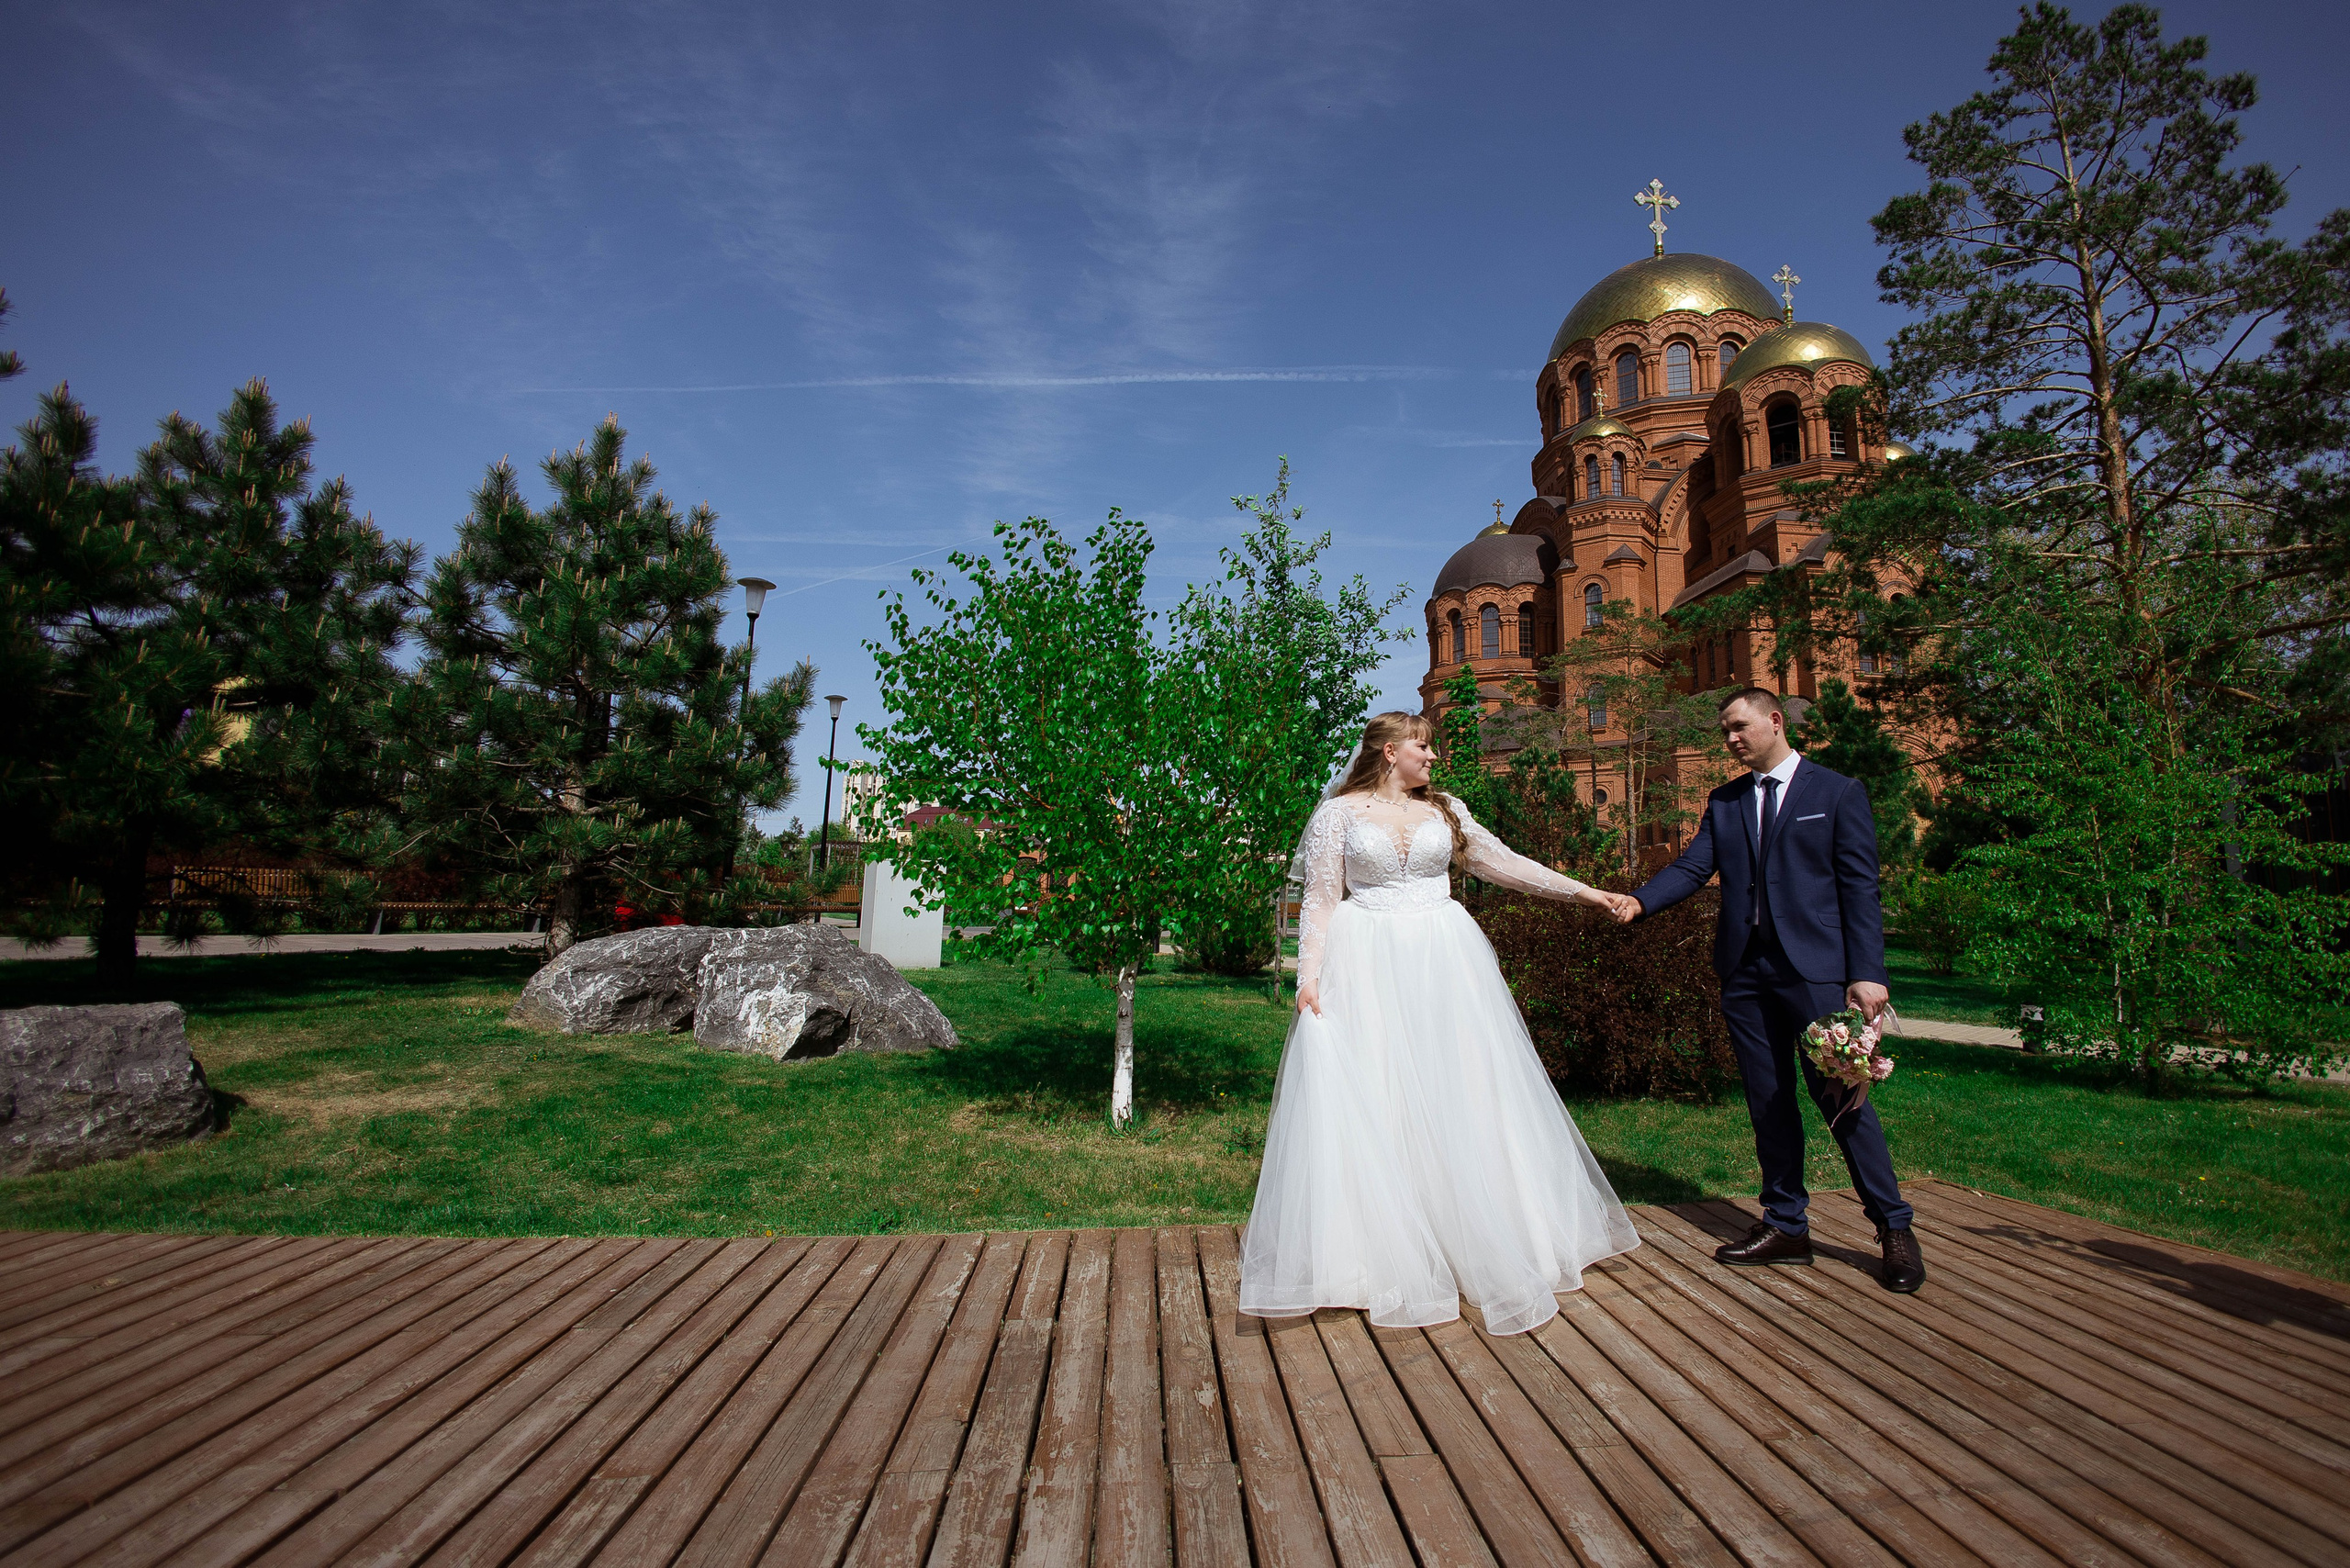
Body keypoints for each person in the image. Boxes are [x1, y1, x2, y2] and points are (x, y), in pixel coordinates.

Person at [1237, 711, 1640, 1336]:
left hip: (1445, 959)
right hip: (1367, 959)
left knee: (1464, 1087)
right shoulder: (1338, 815)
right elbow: (1319, 900)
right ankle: (1374, 1257)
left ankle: (1482, 1235)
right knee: (1379, 1089)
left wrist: (1585, 893)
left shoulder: (1446, 810)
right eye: (1422, 747)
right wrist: (1307, 976)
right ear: (1390, 751)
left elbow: (1508, 864)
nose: (1432, 758)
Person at [1617, 687, 1925, 1293]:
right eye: (1725, 731)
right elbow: (1693, 867)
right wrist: (1639, 901)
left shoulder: (1836, 792)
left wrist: (1868, 972)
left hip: (1815, 974)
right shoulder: (1726, 800)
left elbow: (1860, 888)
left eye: (1740, 726)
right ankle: (1786, 1225)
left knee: (1842, 1099)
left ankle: (1894, 1228)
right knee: (1769, 1100)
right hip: (1746, 975)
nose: (1731, 738)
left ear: (1775, 721)